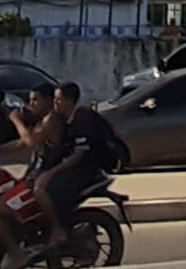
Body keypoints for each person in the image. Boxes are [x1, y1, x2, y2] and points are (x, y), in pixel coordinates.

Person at [0, 82, 65, 269]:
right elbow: (20, 144)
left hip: (40, 182)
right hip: (32, 178)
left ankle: (16, 253)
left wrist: (16, 120)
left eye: (36, 100)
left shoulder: (52, 120)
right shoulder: (43, 121)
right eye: (30, 100)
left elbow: (30, 140)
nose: (31, 104)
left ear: (49, 101)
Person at [33, 82, 107, 252]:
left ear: (70, 100)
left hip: (85, 169)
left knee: (42, 189)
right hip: (75, 167)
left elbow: (79, 155)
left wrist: (52, 172)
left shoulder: (82, 118)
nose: (56, 104)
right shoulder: (66, 119)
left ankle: (57, 230)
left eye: (59, 100)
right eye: (55, 100)